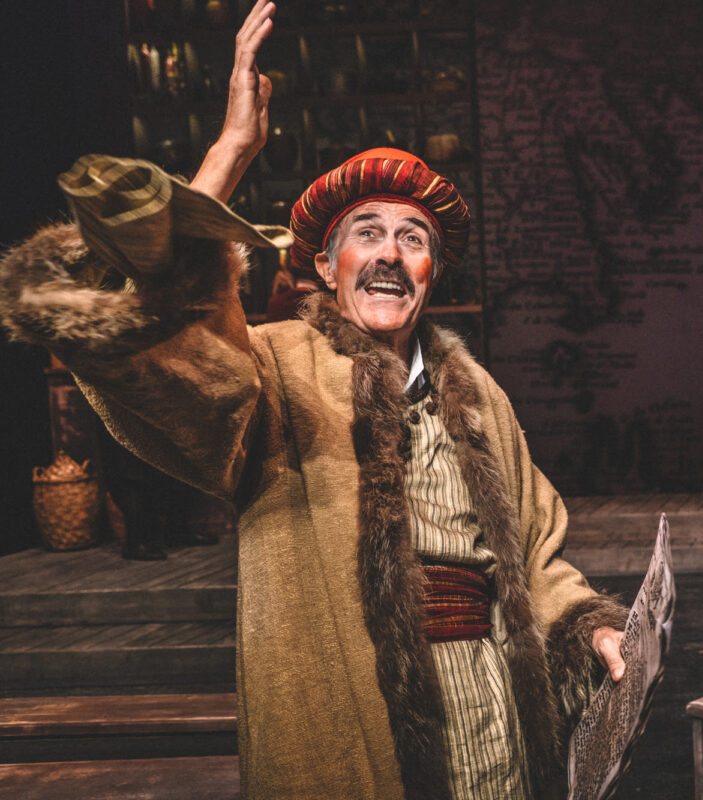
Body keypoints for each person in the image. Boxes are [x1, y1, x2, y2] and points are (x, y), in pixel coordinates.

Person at [0, 2, 628, 797]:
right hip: (352, 713)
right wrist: (230, 153)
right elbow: (145, 338)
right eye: (367, 232)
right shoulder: (273, 370)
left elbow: (536, 550)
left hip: (491, 707)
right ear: (326, 268)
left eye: (414, 239)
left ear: (433, 273)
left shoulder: (481, 397)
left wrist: (591, 628)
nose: (391, 253)